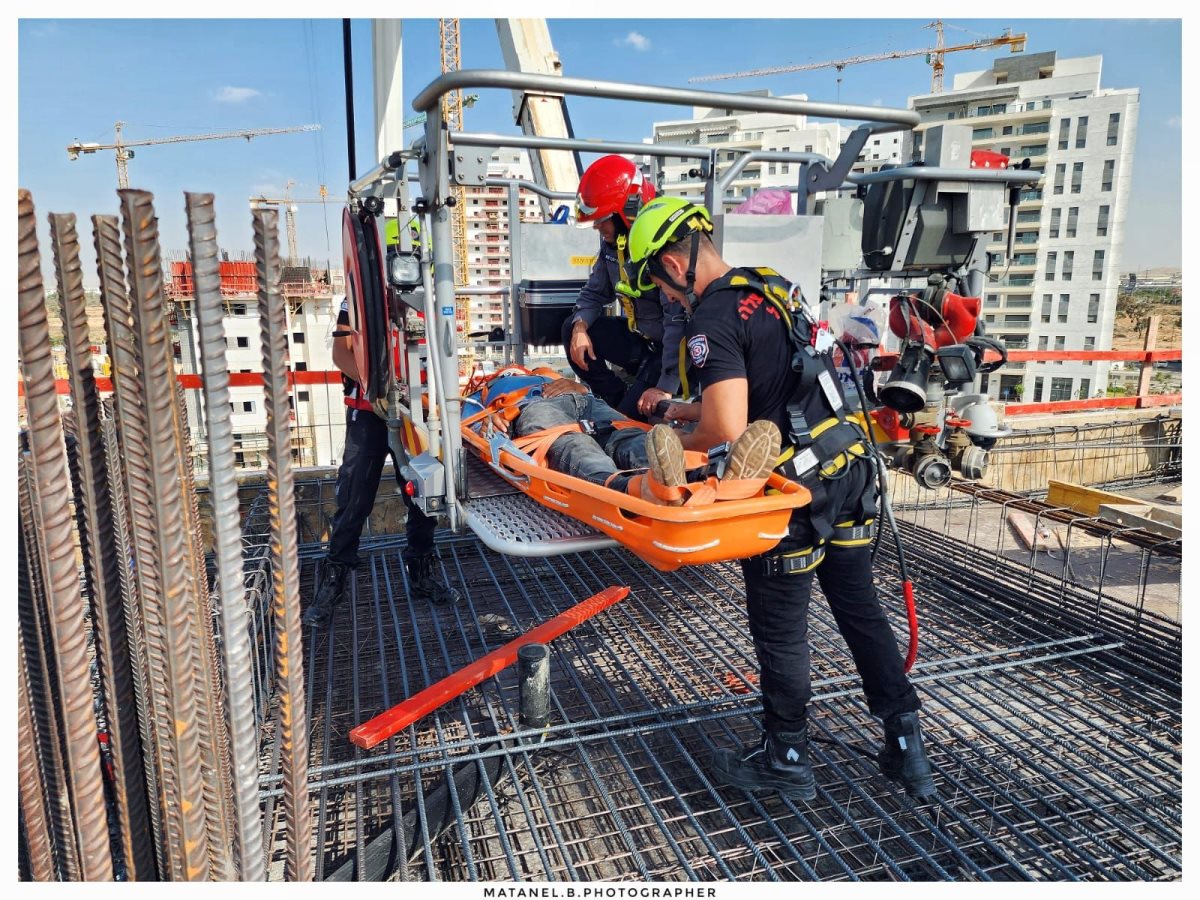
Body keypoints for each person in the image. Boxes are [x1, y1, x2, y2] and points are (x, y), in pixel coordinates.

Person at [626, 197, 937, 801]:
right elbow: (769, 388)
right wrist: (681, 408)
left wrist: (670, 442)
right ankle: (907, 746)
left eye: (659, 286)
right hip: (850, 469)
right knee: (859, 609)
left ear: (674, 264)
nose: (665, 298)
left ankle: (786, 757)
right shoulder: (771, 288)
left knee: (781, 627)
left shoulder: (711, 319)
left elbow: (725, 428)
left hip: (796, 492)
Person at [306, 222, 460, 627]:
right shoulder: (358, 302)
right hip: (369, 408)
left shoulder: (430, 302)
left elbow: (444, 353)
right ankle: (334, 580)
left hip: (415, 411)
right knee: (354, 494)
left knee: (423, 492)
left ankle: (422, 573)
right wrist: (375, 385)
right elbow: (342, 352)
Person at [468, 371, 779, 506]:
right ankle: (636, 487)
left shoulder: (543, 371)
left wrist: (577, 386)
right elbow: (471, 422)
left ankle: (699, 475)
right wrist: (494, 421)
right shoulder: (484, 390)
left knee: (628, 436)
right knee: (573, 443)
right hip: (528, 406)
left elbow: (582, 388)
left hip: (585, 400)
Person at [563, 155, 687, 421]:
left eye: (602, 219)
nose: (597, 226)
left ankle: (626, 407)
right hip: (641, 342)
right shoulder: (614, 244)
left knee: (625, 424)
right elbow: (594, 293)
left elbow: (677, 324)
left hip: (671, 353)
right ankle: (616, 396)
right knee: (570, 328)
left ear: (628, 211)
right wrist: (580, 328)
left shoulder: (662, 246)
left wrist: (665, 387)